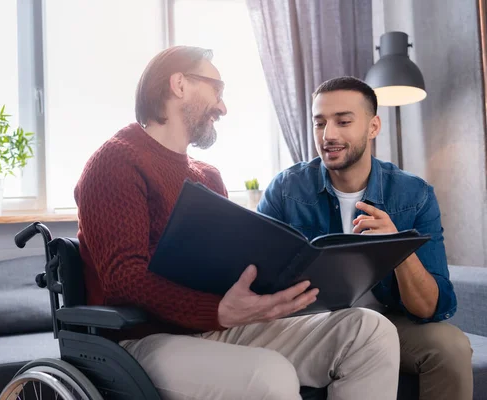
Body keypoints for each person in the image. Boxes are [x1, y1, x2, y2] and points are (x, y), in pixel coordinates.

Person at [74, 47, 400, 400]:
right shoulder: (117, 161)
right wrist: (217, 310)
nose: (223, 107)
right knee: (270, 377)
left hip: (218, 325)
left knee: (369, 331)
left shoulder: (207, 176)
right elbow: (124, 278)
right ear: (179, 84)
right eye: (217, 89)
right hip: (143, 339)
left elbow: (225, 267)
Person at [257, 76, 473, 400]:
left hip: (388, 321)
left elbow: (430, 307)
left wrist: (397, 247)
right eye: (320, 123)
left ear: (373, 127)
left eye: (343, 121)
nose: (329, 135)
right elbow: (254, 274)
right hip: (311, 324)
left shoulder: (414, 195)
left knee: (451, 347)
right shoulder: (286, 190)